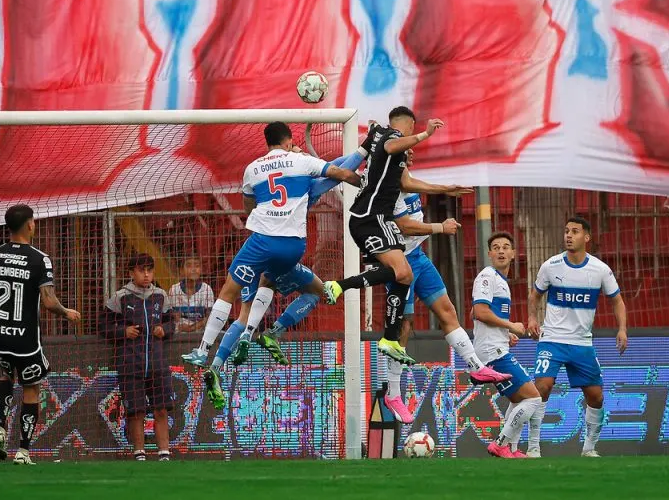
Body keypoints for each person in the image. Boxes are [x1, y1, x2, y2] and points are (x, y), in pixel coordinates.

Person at [181, 122, 359, 404]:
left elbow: (247, 207)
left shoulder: (253, 168)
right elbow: (339, 169)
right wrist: (365, 152)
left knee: (234, 298)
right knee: (319, 292)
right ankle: (270, 332)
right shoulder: (306, 171)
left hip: (260, 245)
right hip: (291, 248)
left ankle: (212, 355)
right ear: (289, 142)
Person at [323, 107, 477, 368]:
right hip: (370, 219)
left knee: (403, 275)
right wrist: (425, 135)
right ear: (410, 126)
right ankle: (339, 286)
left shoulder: (384, 151)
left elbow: (403, 181)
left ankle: (389, 339)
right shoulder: (390, 136)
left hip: (373, 221)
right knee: (401, 273)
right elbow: (392, 146)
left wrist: (445, 189)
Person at [375, 150, 511, 422]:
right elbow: (404, 226)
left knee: (447, 311)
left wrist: (446, 188)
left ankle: (475, 367)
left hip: (418, 257)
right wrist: (440, 227)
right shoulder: (390, 189)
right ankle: (393, 393)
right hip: (398, 261)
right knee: (403, 326)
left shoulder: (407, 179)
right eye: (406, 152)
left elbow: (420, 188)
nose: (411, 156)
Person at [0, 204, 81, 465]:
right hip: (26, 341)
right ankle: (23, 452)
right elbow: (48, 301)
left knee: (6, 375)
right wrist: (66, 312)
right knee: (31, 389)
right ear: (29, 224)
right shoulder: (39, 259)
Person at [526, 216, 627, 458]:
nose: (569, 236)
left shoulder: (600, 270)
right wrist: (532, 318)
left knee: (596, 396)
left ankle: (589, 449)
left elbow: (617, 301)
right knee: (542, 387)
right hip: (552, 339)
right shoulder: (551, 266)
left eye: (575, 231)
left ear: (586, 237)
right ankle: (533, 447)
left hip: (582, 342)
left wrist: (622, 328)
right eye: (566, 231)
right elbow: (534, 295)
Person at [473, 232, 544, 458]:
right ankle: (500, 443)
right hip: (491, 353)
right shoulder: (487, 277)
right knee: (533, 398)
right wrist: (511, 325)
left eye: (506, 247)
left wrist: (506, 333)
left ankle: (511, 449)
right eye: (496, 247)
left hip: (497, 347)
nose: (501, 251)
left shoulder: (502, 282)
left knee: (519, 398)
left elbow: (486, 315)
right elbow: (479, 312)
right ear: (490, 254)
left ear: (513, 253)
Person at [101, 254, 175, 462]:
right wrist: (123, 332)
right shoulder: (120, 297)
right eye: (142, 270)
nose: (146, 275)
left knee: (161, 409)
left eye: (150, 270)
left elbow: (172, 323)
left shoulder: (161, 296)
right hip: (130, 363)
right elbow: (103, 326)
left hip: (157, 363)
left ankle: (164, 452)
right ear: (131, 273)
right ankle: (139, 452)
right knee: (136, 411)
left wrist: (164, 329)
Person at [168, 256, 215, 334]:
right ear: (181, 271)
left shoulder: (206, 289)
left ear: (201, 270)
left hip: (200, 334)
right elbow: (173, 316)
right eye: (189, 266)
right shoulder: (174, 289)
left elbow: (209, 317)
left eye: (197, 266)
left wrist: (191, 328)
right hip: (179, 333)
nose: (193, 269)